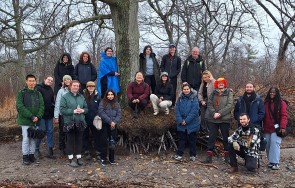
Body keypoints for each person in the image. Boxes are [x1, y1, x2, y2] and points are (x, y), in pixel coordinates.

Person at [202, 77, 233, 163]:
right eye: (219, 83)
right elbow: (209, 103)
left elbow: (230, 105)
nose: (220, 84)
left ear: (224, 84)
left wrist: (220, 113)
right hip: (213, 119)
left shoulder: (229, 92)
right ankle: (209, 157)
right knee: (211, 137)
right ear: (217, 84)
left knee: (225, 138)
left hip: (224, 119)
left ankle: (227, 157)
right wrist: (213, 113)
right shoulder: (213, 92)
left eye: (222, 83)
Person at [16, 74, 44, 165]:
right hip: (25, 120)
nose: (32, 83)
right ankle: (25, 156)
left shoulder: (38, 93)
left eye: (33, 81)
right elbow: (20, 107)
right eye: (30, 81)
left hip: (36, 120)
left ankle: (31, 155)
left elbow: (42, 106)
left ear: (35, 82)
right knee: (26, 138)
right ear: (26, 81)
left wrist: (38, 116)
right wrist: (31, 116)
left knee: (33, 138)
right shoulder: (22, 93)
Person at [60, 80, 88, 167]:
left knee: (79, 140)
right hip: (69, 122)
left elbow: (86, 108)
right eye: (74, 86)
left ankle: (78, 158)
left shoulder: (81, 97)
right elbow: (62, 110)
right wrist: (73, 111)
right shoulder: (65, 97)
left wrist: (83, 110)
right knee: (70, 140)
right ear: (70, 86)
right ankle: (71, 159)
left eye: (77, 86)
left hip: (80, 121)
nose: (76, 87)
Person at [263, 87, 288, 170]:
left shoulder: (281, 103)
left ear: (277, 93)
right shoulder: (265, 103)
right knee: (267, 144)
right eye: (270, 92)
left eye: (274, 92)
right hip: (267, 127)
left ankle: (275, 162)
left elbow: (284, 115)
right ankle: (271, 161)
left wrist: (283, 127)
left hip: (277, 128)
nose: (272, 94)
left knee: (275, 143)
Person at [174, 83, 199, 161]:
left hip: (192, 122)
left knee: (192, 139)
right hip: (181, 121)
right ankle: (179, 154)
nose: (186, 91)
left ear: (190, 89)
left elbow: (194, 111)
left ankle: (192, 154)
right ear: (182, 90)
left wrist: (187, 120)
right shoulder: (180, 98)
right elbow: (177, 109)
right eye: (184, 89)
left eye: (187, 89)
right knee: (181, 139)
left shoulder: (194, 98)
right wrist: (180, 120)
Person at [98, 89, 122, 166]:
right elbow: (101, 113)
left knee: (112, 142)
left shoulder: (117, 103)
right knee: (104, 142)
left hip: (113, 125)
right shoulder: (102, 103)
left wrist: (114, 122)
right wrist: (110, 121)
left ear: (114, 95)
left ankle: (112, 159)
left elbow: (119, 114)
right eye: (109, 94)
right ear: (106, 95)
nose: (110, 96)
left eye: (112, 94)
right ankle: (103, 159)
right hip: (105, 124)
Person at [35, 76, 55, 159]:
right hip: (41, 115)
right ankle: (36, 149)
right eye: (49, 80)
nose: (50, 81)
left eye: (51, 81)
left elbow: (52, 101)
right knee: (40, 131)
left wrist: (53, 110)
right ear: (44, 80)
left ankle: (50, 149)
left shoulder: (50, 89)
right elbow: (36, 102)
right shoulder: (38, 88)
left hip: (49, 114)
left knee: (50, 131)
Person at [54, 75, 72, 155]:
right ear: (63, 81)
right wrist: (56, 116)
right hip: (63, 115)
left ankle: (70, 147)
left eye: (68, 79)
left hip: (72, 115)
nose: (67, 81)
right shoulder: (61, 91)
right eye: (65, 80)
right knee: (62, 131)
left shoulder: (74, 90)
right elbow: (57, 103)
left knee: (71, 131)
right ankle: (62, 148)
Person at [83, 81, 101, 160]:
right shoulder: (82, 95)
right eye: (89, 86)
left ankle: (98, 151)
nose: (91, 87)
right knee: (85, 136)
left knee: (97, 136)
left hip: (95, 119)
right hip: (85, 119)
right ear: (87, 87)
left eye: (92, 86)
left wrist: (98, 115)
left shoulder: (98, 96)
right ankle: (86, 151)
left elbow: (100, 107)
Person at [198, 70, 215, 135]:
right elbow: (199, 93)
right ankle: (204, 131)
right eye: (204, 78)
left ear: (209, 76)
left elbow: (216, 92)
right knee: (202, 117)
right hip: (203, 101)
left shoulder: (213, 82)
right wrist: (201, 101)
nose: (205, 79)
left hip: (211, 102)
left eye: (206, 77)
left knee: (207, 117)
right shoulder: (203, 84)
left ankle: (210, 131)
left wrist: (212, 79)